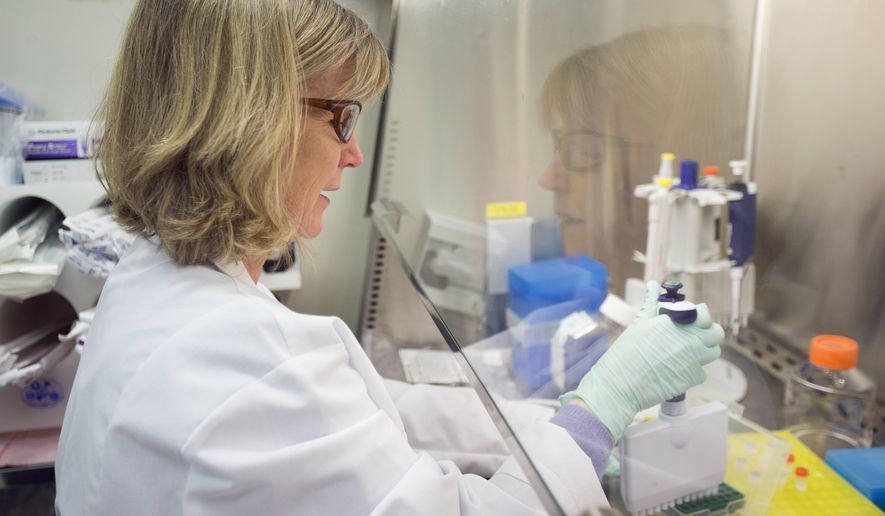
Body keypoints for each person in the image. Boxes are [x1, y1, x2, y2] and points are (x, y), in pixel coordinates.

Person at [55, 2, 724, 515]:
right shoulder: (242, 362)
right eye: (340, 117)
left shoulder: (162, 280)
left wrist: (534, 425)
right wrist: (598, 411)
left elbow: (352, 417)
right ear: (248, 121)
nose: (353, 154)